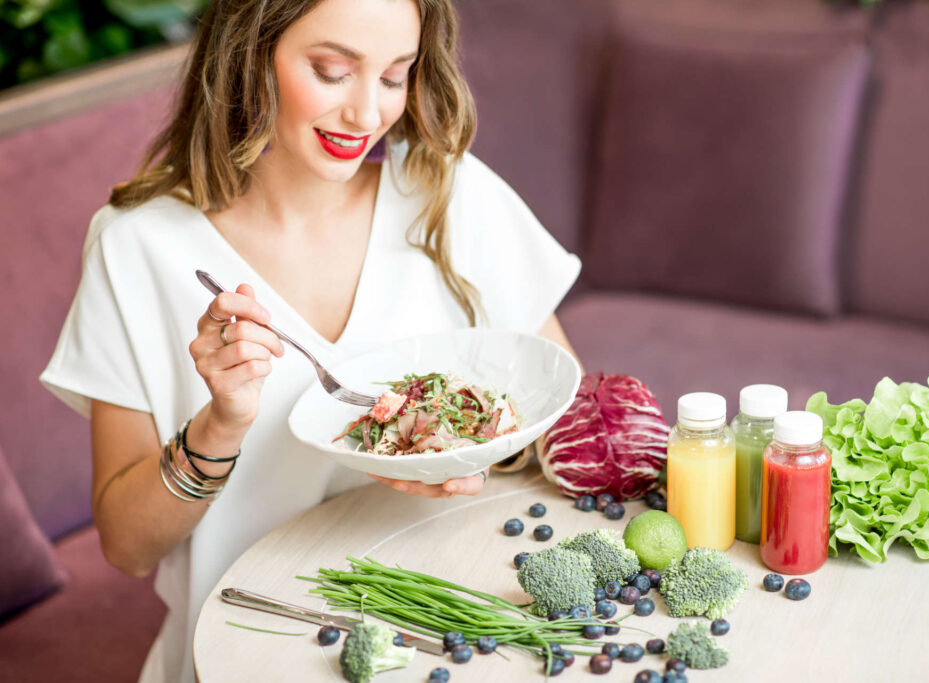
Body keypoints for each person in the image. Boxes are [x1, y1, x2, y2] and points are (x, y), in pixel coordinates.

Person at [39, 0, 581, 681]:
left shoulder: (448, 192)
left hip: (457, 635)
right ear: (249, 52)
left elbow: (563, 415)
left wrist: (470, 454)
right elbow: (125, 545)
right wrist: (221, 423)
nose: (365, 114)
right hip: (248, 644)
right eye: (331, 71)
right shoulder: (138, 246)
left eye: (393, 77)